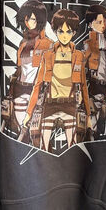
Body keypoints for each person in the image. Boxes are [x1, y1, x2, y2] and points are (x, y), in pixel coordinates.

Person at [22, 9, 91, 152]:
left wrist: (89, 115)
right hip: (50, 104)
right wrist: (28, 113)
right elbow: (38, 85)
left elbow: (84, 86)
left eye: (68, 31)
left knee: (73, 148)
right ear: (55, 31)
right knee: (43, 147)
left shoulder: (78, 56)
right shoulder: (47, 56)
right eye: (61, 31)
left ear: (74, 32)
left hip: (70, 105)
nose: (64, 36)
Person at [2, 0, 53, 136]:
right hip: (20, 89)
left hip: (37, 92)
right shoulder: (23, 43)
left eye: (32, 19)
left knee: (34, 132)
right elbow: (19, 68)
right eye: (26, 19)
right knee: (19, 127)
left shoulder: (48, 44)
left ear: (40, 20)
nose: (28, 22)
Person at [83, 4, 106, 139]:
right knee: (93, 109)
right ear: (90, 24)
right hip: (93, 84)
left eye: (105, 22)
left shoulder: (104, 44)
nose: (103, 25)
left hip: (102, 84)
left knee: (100, 108)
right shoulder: (90, 43)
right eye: (99, 22)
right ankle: (91, 132)